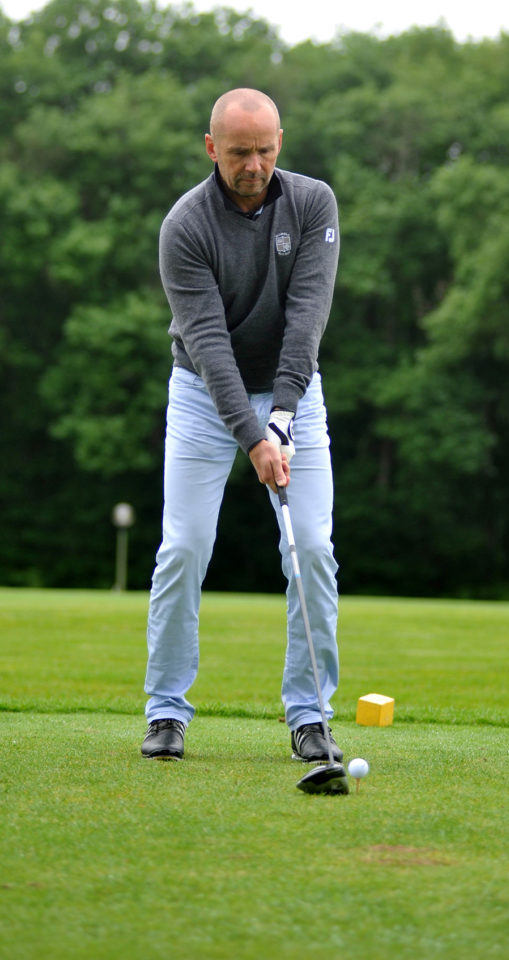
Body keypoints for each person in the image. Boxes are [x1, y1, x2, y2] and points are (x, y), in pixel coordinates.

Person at [141, 88, 342, 764]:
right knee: (184, 547)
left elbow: (308, 316)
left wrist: (280, 416)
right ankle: (166, 710)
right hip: (203, 393)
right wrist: (253, 439)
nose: (253, 166)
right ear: (211, 149)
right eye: (237, 153)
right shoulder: (184, 226)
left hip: (294, 392)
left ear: (280, 143)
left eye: (263, 151)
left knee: (311, 548)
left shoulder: (313, 204)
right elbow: (207, 344)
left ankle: (310, 716)